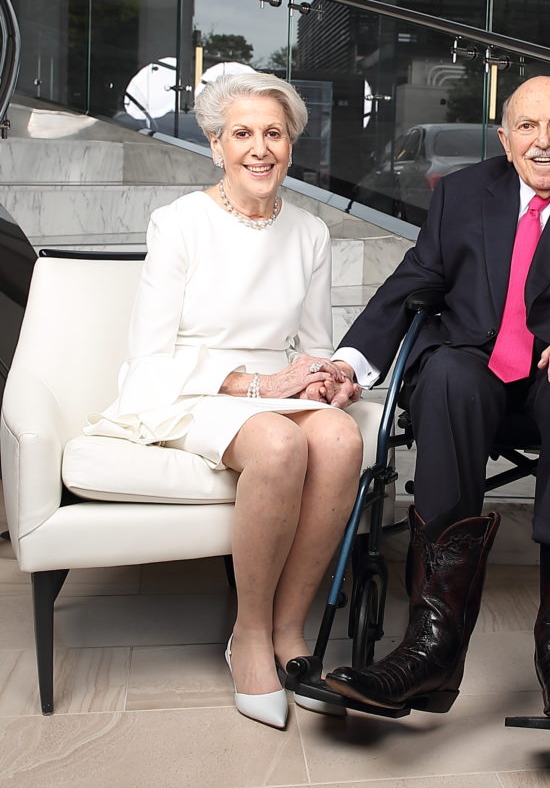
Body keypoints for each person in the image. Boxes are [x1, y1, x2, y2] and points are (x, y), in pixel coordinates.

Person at [322, 75, 550, 720]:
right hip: (476, 366)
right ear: (504, 137)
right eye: (527, 127)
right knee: (446, 375)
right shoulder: (463, 193)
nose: (544, 141)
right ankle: (432, 644)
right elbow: (416, 280)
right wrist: (350, 363)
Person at [85, 72, 364, 730]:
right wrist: (257, 386)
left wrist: (326, 377)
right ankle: (250, 635)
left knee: (340, 436)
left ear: (291, 146)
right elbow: (151, 353)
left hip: (274, 388)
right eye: (242, 134)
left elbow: (313, 344)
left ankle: (290, 630)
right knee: (279, 440)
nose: (259, 149)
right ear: (216, 146)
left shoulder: (310, 232)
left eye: (274, 134)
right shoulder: (179, 222)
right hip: (190, 387)